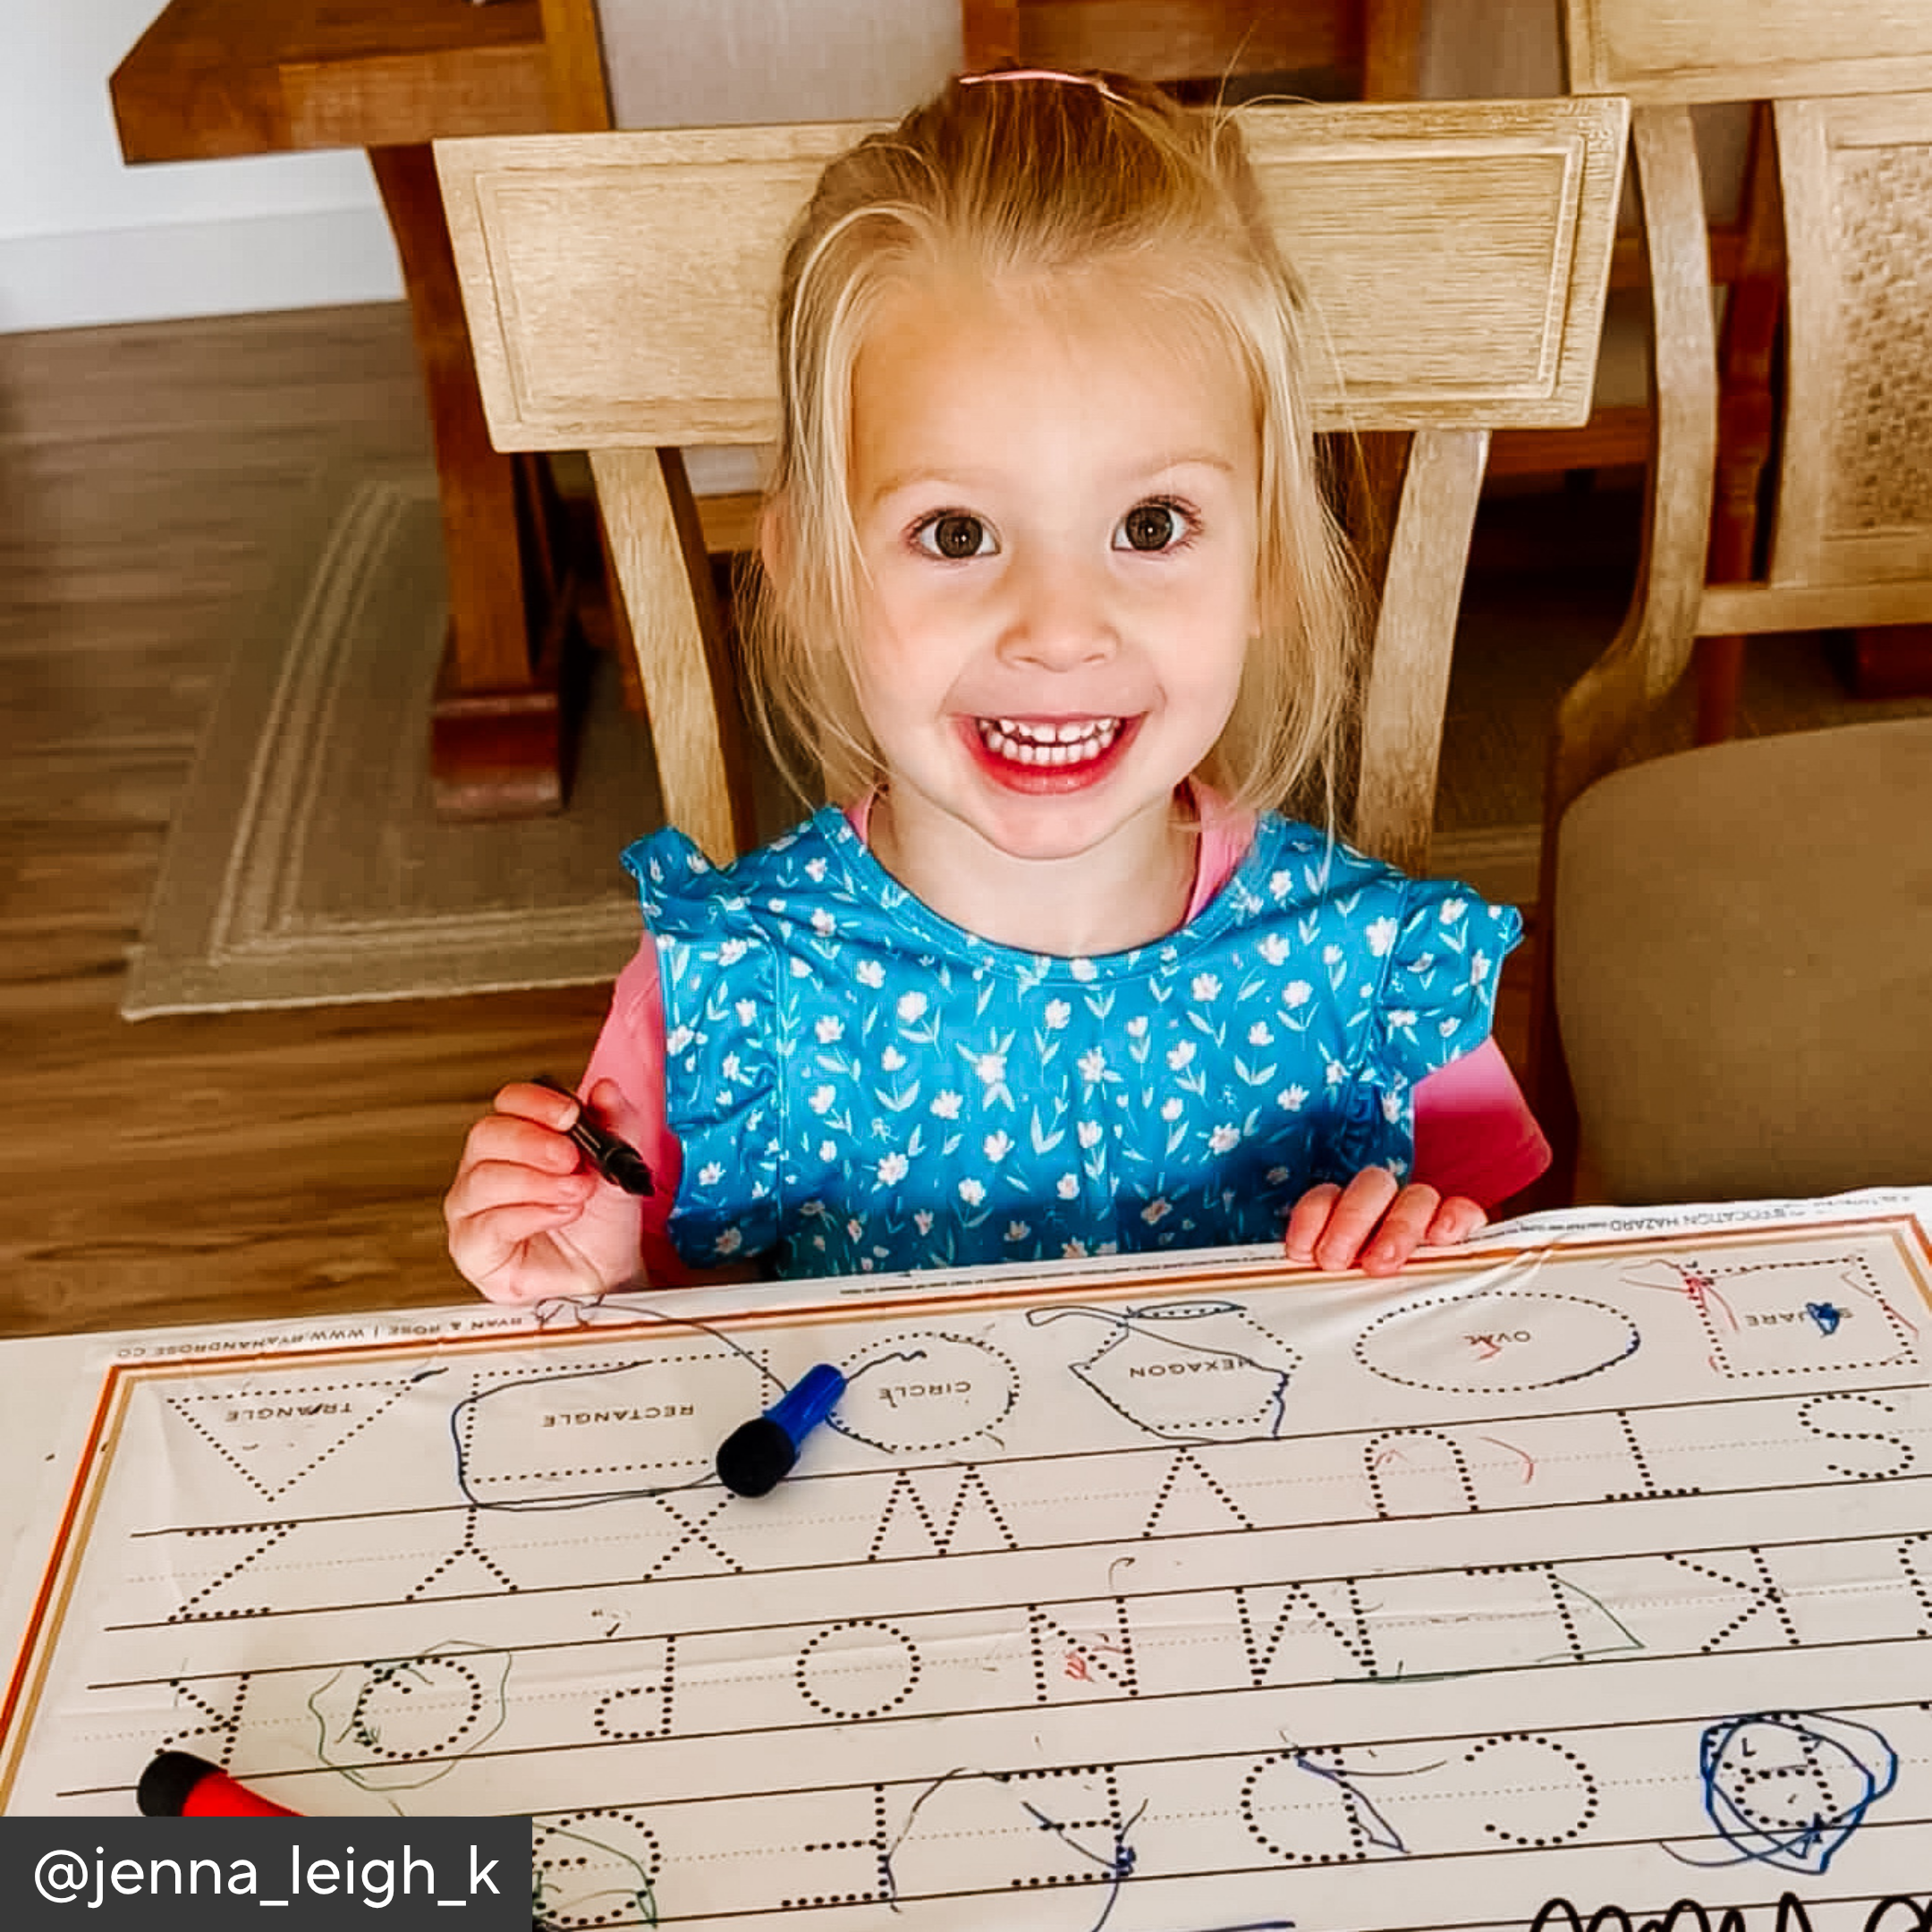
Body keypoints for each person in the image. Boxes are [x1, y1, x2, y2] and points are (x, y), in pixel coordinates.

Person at [444, 66, 1549, 1306]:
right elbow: (665, 1376)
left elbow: (1503, 1321)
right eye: (958, 535)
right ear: (808, 566)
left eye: (1151, 522)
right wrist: (588, 1281)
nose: (1060, 631)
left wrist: (1427, 1248)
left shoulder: (1381, 977)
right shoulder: (729, 990)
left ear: (1269, 567)